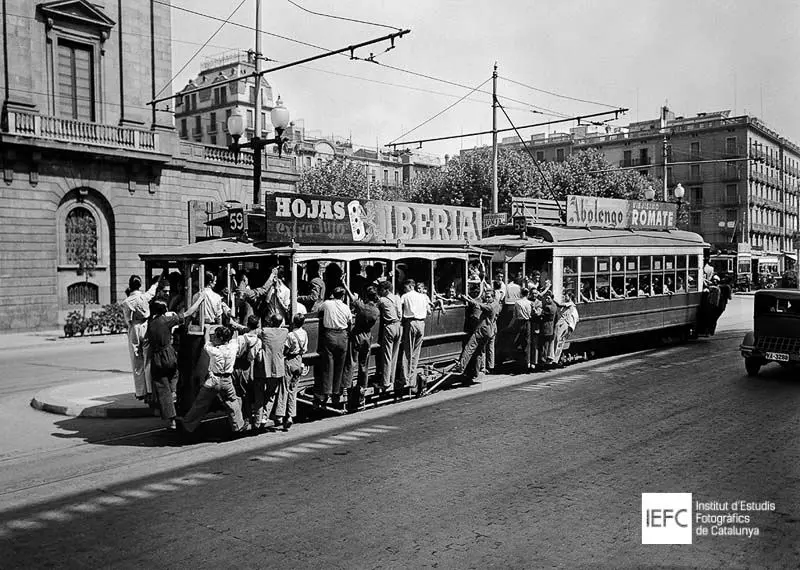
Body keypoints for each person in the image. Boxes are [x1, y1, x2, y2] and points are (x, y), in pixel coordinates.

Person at [178, 325, 246, 438]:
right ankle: (238, 425)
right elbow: (234, 337)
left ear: (219, 339)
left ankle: (188, 425)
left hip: (214, 380)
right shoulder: (233, 347)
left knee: (201, 404)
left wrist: (208, 329)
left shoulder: (214, 350)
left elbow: (206, 341)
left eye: (215, 336)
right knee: (232, 402)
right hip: (227, 380)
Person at [146, 299, 194, 430]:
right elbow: (187, 313)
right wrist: (198, 301)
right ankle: (174, 394)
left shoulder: (151, 324)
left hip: (156, 358)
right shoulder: (166, 321)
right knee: (175, 374)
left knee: (162, 388)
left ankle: (171, 420)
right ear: (164, 310)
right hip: (168, 354)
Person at [121, 274, 159, 400]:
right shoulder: (144, 297)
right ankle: (149, 389)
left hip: (134, 328)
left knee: (136, 360)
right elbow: (152, 291)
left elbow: (127, 319)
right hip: (145, 325)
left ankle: (140, 391)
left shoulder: (126, 302)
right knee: (147, 359)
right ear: (140, 285)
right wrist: (156, 282)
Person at [452, 288, 501, 382]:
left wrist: (467, 300)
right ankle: (476, 371)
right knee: (479, 351)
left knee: (469, 348)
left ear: (493, 297)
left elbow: (480, 305)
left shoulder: (490, 306)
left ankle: (461, 367)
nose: (486, 299)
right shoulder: (497, 304)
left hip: (482, 330)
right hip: (489, 331)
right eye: (486, 297)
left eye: (488, 297)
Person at [343, 284, 380, 408]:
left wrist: (344, 284)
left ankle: (347, 386)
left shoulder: (362, 307)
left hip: (357, 334)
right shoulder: (376, 311)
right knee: (364, 364)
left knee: (352, 361)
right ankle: (362, 387)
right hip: (367, 337)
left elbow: (351, 296)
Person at [315, 287, 353, 407]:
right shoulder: (346, 307)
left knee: (328, 364)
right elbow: (349, 322)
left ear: (332, 294)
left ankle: (327, 392)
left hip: (330, 335)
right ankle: (337, 392)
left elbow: (318, 308)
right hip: (342, 336)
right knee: (340, 366)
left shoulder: (327, 304)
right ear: (343, 296)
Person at [251, 314, 288, 430]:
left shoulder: (264, 331)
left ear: (271, 322)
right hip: (277, 369)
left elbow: (251, 331)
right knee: (271, 394)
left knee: (259, 394)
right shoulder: (285, 332)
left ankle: (258, 418)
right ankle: (264, 417)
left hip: (264, 368)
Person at [397, 279, 432, 396]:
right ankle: (411, 380)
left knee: (407, 352)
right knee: (416, 353)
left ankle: (406, 379)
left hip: (411, 323)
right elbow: (429, 311)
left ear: (410, 286)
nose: (404, 289)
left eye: (405, 287)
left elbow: (399, 309)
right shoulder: (423, 296)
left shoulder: (405, 296)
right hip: (421, 323)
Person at [275, 313, 308, 431]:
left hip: (290, 360)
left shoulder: (290, 335)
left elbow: (286, 349)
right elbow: (305, 349)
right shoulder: (304, 333)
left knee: (284, 389)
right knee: (293, 391)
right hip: (299, 361)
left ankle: (280, 414)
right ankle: (290, 416)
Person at [232, 314, 261, 430]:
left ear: (248, 325)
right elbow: (256, 357)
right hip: (247, 367)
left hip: (236, 366)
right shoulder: (258, 341)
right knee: (246, 393)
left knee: (236, 393)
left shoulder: (239, 339)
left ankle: (239, 419)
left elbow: (234, 352)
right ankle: (247, 417)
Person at [376, 280, 402, 392]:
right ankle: (391, 379)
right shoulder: (397, 298)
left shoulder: (382, 300)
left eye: (381, 290)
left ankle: (386, 382)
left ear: (386, 290)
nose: (379, 292)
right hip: (399, 326)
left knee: (387, 355)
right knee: (394, 355)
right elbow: (400, 314)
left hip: (390, 327)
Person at [552, 292, 580, 365]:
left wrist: (552, 299)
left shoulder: (570, 304)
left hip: (563, 325)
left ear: (570, 297)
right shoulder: (568, 305)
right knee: (558, 341)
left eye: (566, 296)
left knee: (558, 340)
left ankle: (555, 359)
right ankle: (555, 358)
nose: (564, 297)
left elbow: (559, 305)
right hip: (562, 324)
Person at [510, 288, 533, 370]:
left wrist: (510, 326)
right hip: (527, 322)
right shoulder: (529, 303)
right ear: (527, 294)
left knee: (518, 341)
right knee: (527, 342)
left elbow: (514, 316)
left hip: (519, 323)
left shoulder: (517, 303)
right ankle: (527, 363)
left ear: (521, 294)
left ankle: (519, 361)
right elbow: (530, 314)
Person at [539, 291, 558, 368]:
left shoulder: (548, 307)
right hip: (551, 327)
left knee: (544, 345)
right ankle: (547, 359)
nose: (546, 299)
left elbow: (542, 314)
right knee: (547, 344)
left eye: (548, 298)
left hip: (546, 327)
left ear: (552, 298)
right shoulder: (555, 305)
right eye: (546, 298)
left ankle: (543, 360)